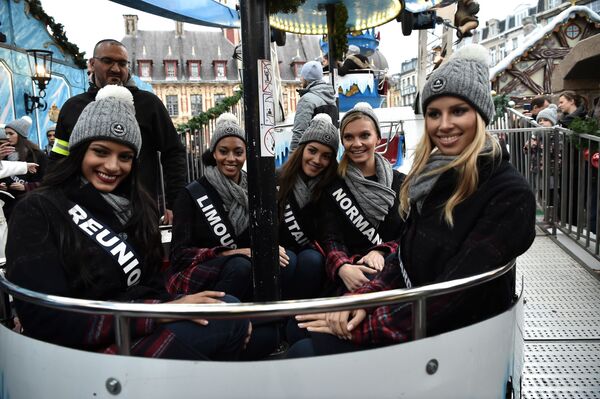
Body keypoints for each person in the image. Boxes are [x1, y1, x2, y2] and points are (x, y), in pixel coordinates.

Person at [289, 44, 536, 357]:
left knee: (302, 351)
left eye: (458, 110)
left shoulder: (509, 195)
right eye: (434, 113)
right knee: (298, 334)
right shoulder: (432, 179)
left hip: (452, 341)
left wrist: (366, 320)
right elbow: (406, 255)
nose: (443, 125)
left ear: (481, 114)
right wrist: (364, 299)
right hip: (410, 307)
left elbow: (455, 293)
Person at [6, 86, 250, 360]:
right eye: (100, 151)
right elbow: (46, 319)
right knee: (232, 322)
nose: (112, 166)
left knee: (233, 311)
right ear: (78, 152)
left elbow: (151, 286)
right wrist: (159, 313)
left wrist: (173, 305)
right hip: (82, 349)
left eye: (125, 157)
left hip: (134, 323)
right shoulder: (38, 210)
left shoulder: (135, 208)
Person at [50, 39, 186, 224]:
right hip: (85, 213)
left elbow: (174, 152)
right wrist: (54, 202)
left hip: (140, 211)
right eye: (107, 61)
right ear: (92, 63)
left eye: (122, 63)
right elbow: (58, 158)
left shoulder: (149, 104)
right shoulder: (73, 107)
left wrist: (175, 203)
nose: (116, 69)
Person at [167, 113, 289, 299]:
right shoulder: (191, 194)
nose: (231, 158)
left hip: (247, 268)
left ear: (246, 154)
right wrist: (230, 253)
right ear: (214, 153)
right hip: (204, 272)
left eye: (238, 152)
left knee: (288, 262)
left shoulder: (256, 190)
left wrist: (271, 247)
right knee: (240, 266)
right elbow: (180, 255)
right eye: (224, 151)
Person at [318, 102, 404, 294]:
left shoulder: (402, 183)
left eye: (365, 135)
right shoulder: (332, 184)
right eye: (349, 137)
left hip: (390, 273)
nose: (356, 144)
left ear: (378, 138)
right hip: (348, 274)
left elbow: (409, 233)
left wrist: (381, 250)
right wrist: (342, 267)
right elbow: (330, 237)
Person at [277, 113, 339, 300]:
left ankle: (296, 317)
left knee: (312, 261)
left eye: (326, 156)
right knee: (286, 260)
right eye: (312, 150)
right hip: (279, 250)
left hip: (312, 252)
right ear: (302, 149)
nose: (317, 160)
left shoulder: (332, 187)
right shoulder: (276, 179)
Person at [290, 61, 338, 151]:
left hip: (311, 154)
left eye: (302, 76)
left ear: (305, 78)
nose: (301, 79)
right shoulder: (331, 98)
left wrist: (292, 159)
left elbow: (299, 132)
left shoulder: (307, 99)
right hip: (328, 154)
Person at [1, 116, 47, 210]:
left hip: (30, 203)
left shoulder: (38, 155)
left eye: (11, 133)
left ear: (20, 135)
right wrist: (2, 184)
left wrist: (26, 186)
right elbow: (3, 173)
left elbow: (47, 180)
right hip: (9, 203)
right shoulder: (5, 152)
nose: (8, 137)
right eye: (6, 134)